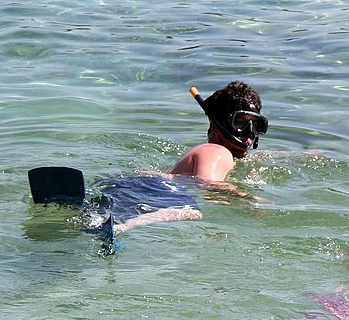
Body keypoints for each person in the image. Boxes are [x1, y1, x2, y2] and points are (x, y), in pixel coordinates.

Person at [105, 81, 268, 234]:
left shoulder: (210, 151)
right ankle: (120, 227)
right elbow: (207, 184)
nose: (249, 133)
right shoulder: (217, 152)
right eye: (240, 123)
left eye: (256, 125)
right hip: (152, 191)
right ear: (217, 124)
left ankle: (104, 222)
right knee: (191, 213)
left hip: (135, 189)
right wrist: (247, 198)